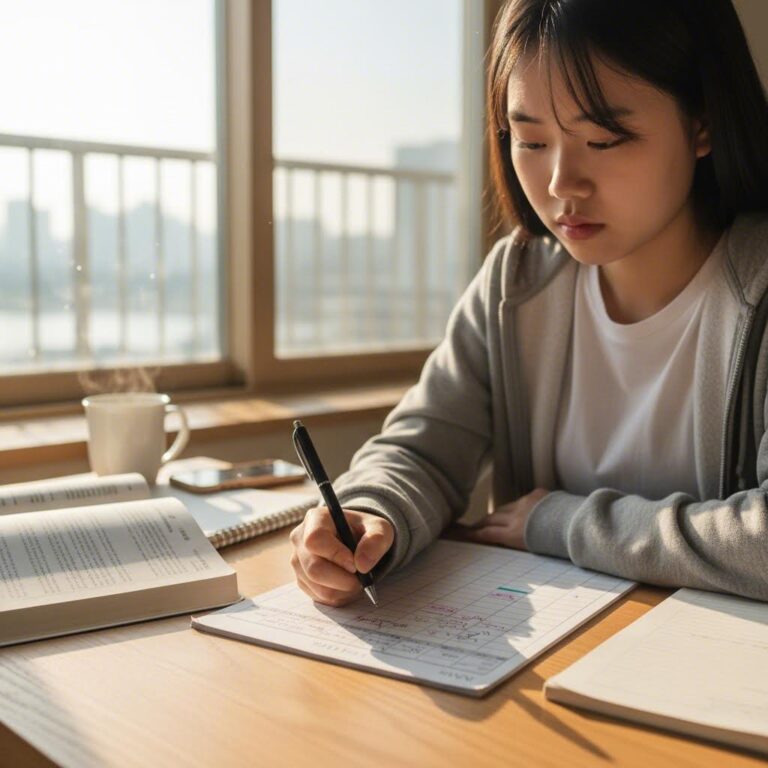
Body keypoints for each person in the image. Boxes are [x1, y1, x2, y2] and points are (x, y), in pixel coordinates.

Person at [289, 0, 768, 607]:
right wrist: (367, 511)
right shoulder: (517, 284)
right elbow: (425, 446)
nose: (562, 183)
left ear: (702, 119)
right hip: (543, 667)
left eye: (602, 138)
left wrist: (563, 523)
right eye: (532, 140)